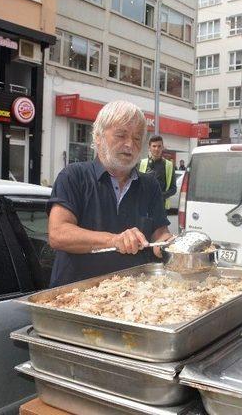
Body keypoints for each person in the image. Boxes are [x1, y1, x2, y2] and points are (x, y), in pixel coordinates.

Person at [47, 101, 172, 287]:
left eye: (137, 138)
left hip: (133, 299)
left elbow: (160, 234)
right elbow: (58, 234)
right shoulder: (73, 176)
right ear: (98, 137)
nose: (130, 144)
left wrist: (170, 245)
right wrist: (114, 240)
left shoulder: (150, 184)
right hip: (76, 297)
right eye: (121, 135)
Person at [139, 135, 177, 210]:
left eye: (159, 146)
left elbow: (173, 189)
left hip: (161, 208)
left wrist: (159, 196)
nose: (157, 149)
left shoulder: (168, 165)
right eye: (154, 146)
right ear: (149, 148)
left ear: (162, 147)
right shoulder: (141, 163)